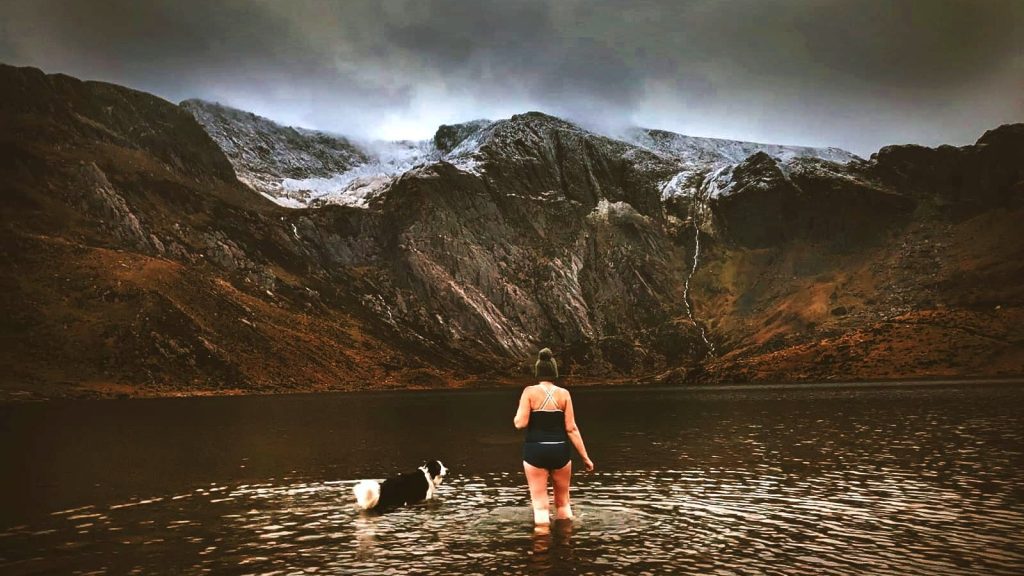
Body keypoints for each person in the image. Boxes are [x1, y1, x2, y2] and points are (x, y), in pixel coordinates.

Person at [513, 348, 594, 526]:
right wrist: (585, 458)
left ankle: (541, 548)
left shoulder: (529, 392)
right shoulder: (564, 394)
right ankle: (565, 545)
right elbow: (572, 428)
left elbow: (520, 423)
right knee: (563, 503)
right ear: (554, 372)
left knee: (541, 507)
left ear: (538, 371)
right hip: (560, 451)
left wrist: (519, 410)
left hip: (535, 450)